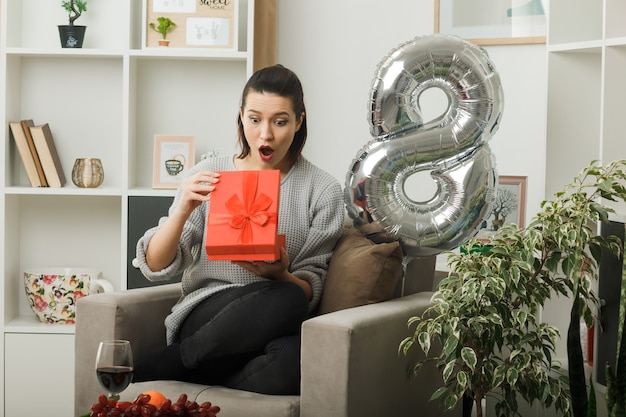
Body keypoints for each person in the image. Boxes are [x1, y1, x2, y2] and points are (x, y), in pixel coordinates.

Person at [133, 64, 345, 395]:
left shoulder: (323, 189)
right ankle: (176, 360)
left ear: (299, 121)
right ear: (241, 117)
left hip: (274, 319)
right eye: (255, 119)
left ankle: (194, 375)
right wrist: (181, 210)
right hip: (207, 316)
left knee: (295, 348)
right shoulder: (210, 173)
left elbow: (309, 289)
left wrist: (280, 273)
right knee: (286, 301)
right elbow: (156, 265)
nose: (266, 135)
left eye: (280, 121)